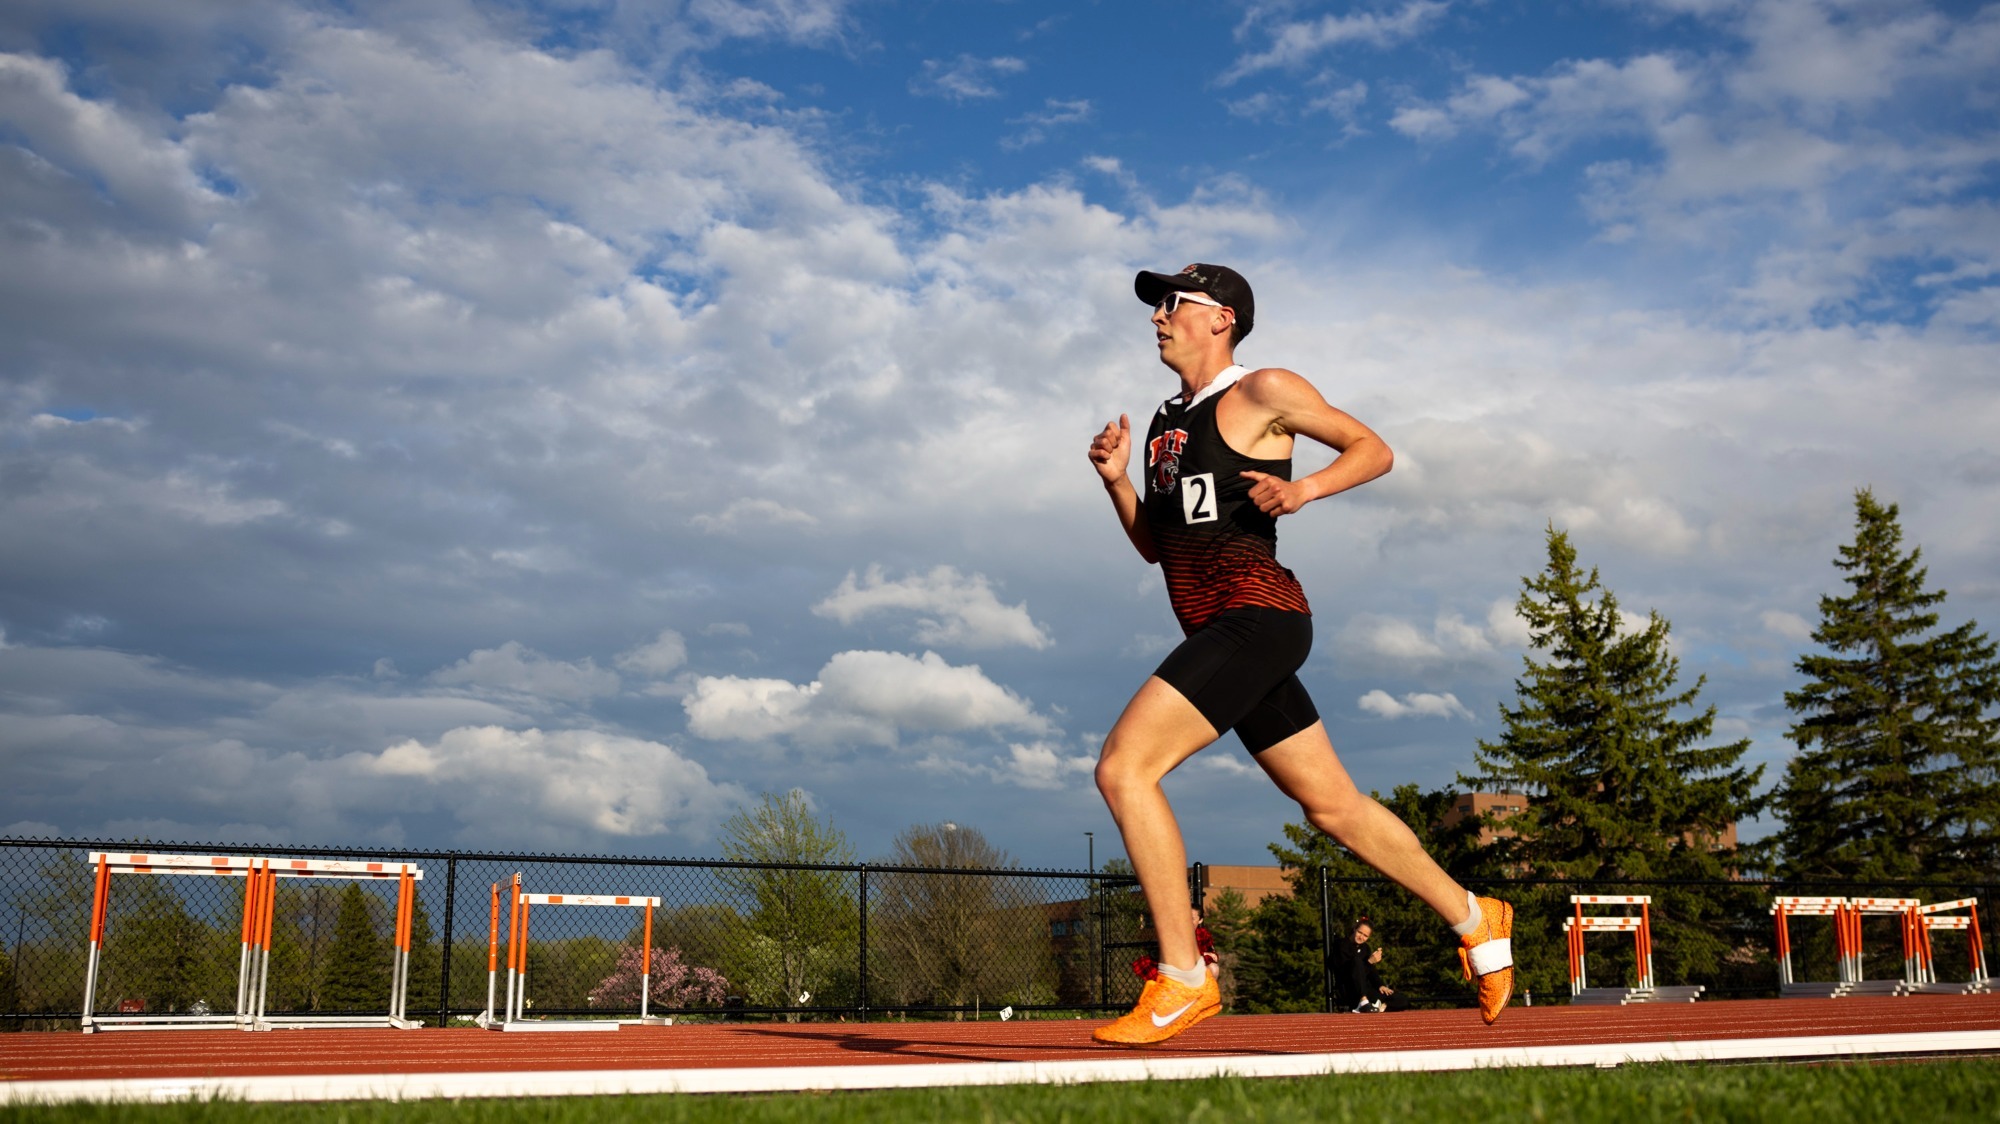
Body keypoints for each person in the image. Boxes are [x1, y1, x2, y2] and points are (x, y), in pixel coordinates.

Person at [1085, 263, 1513, 1048]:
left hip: (1260, 618)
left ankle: (1185, 979)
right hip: (1221, 632)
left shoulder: (1264, 390)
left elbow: (1373, 449)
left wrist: (1305, 490)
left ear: (1221, 318)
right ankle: (1474, 915)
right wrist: (1116, 481)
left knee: (1124, 769)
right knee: (1332, 807)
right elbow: (1158, 548)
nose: (1157, 318)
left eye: (1173, 305)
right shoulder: (1164, 422)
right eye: (1156, 308)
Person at [1335, 917, 1401, 1013]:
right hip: (1351, 990)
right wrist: (1369, 962)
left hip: (1367, 990)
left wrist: (1380, 985)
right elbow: (1349, 975)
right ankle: (1363, 1003)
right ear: (1354, 929)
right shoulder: (1341, 945)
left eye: (1365, 936)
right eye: (1360, 932)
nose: (1361, 937)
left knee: (1400, 998)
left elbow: (1371, 971)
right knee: (1357, 961)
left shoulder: (1366, 948)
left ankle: (1379, 1008)